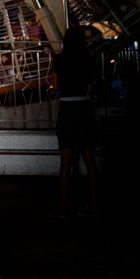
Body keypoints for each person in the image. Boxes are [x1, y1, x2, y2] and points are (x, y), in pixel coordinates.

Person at [50, 26, 100, 218]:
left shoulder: (59, 60)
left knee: (66, 161)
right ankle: (94, 204)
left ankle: (63, 207)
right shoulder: (87, 60)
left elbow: (56, 87)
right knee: (90, 160)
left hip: (67, 110)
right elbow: (89, 87)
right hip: (83, 109)